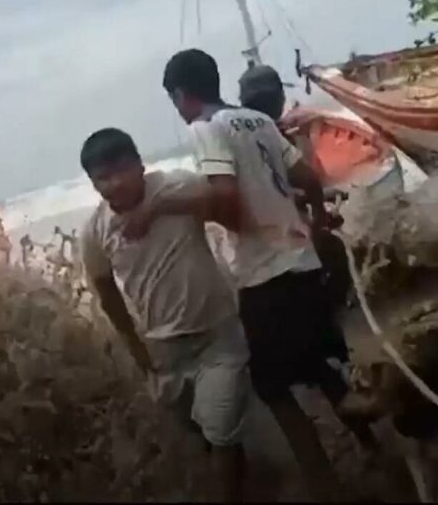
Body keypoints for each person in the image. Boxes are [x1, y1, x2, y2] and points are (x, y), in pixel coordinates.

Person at [148, 49, 377, 501]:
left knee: (272, 388)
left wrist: (167, 206)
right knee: (327, 370)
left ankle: (324, 485)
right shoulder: (258, 122)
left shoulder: (204, 129)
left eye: (174, 99)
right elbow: (309, 178)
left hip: (265, 279)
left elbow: (228, 203)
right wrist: (314, 220)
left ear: (179, 94)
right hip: (304, 264)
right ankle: (379, 455)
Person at [78, 128, 249, 502]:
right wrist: (138, 353)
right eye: (102, 178)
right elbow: (107, 293)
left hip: (217, 335)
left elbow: (223, 200)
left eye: (122, 170)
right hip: (164, 350)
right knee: (200, 432)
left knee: (220, 430)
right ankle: (242, 469)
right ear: (92, 183)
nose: (115, 183)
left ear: (140, 165)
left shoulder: (175, 187)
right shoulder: (94, 231)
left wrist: (155, 209)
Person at [238, 65, 353, 316]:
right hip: (279, 241)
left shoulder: (248, 135)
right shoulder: (271, 135)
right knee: (331, 251)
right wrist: (318, 214)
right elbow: (282, 189)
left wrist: (318, 202)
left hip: (270, 235)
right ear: (280, 97)